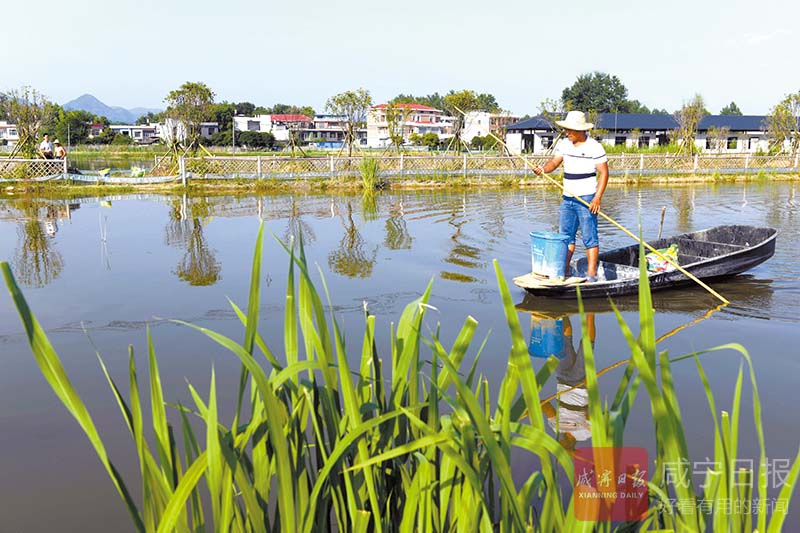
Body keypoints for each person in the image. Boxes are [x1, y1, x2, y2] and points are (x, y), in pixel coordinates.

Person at [533, 111, 609, 282]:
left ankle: (591, 275)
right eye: (566, 130)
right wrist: (543, 170)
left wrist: (597, 198)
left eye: (570, 130)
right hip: (568, 198)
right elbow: (554, 162)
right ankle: (564, 271)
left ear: (581, 131)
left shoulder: (594, 147)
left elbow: (604, 173)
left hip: (587, 199)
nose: (567, 133)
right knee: (566, 236)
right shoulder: (564, 144)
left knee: (590, 237)